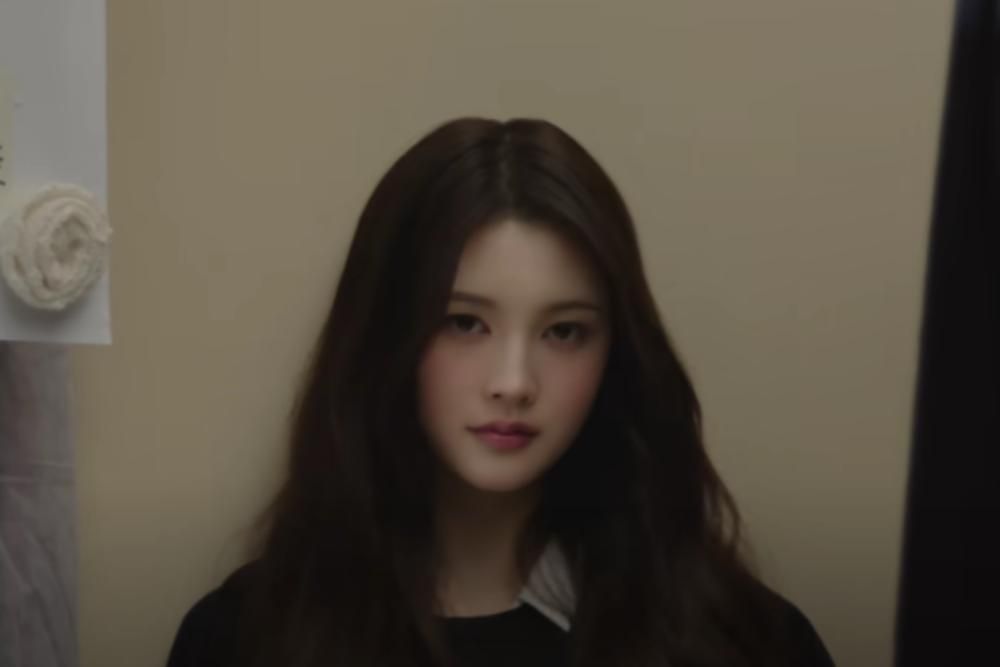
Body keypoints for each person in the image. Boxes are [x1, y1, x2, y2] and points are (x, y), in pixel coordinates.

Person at [166, 117, 836, 667]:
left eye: (565, 331)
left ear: (617, 356)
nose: (514, 382)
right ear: (384, 333)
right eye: (465, 323)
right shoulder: (242, 641)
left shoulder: (746, 643)